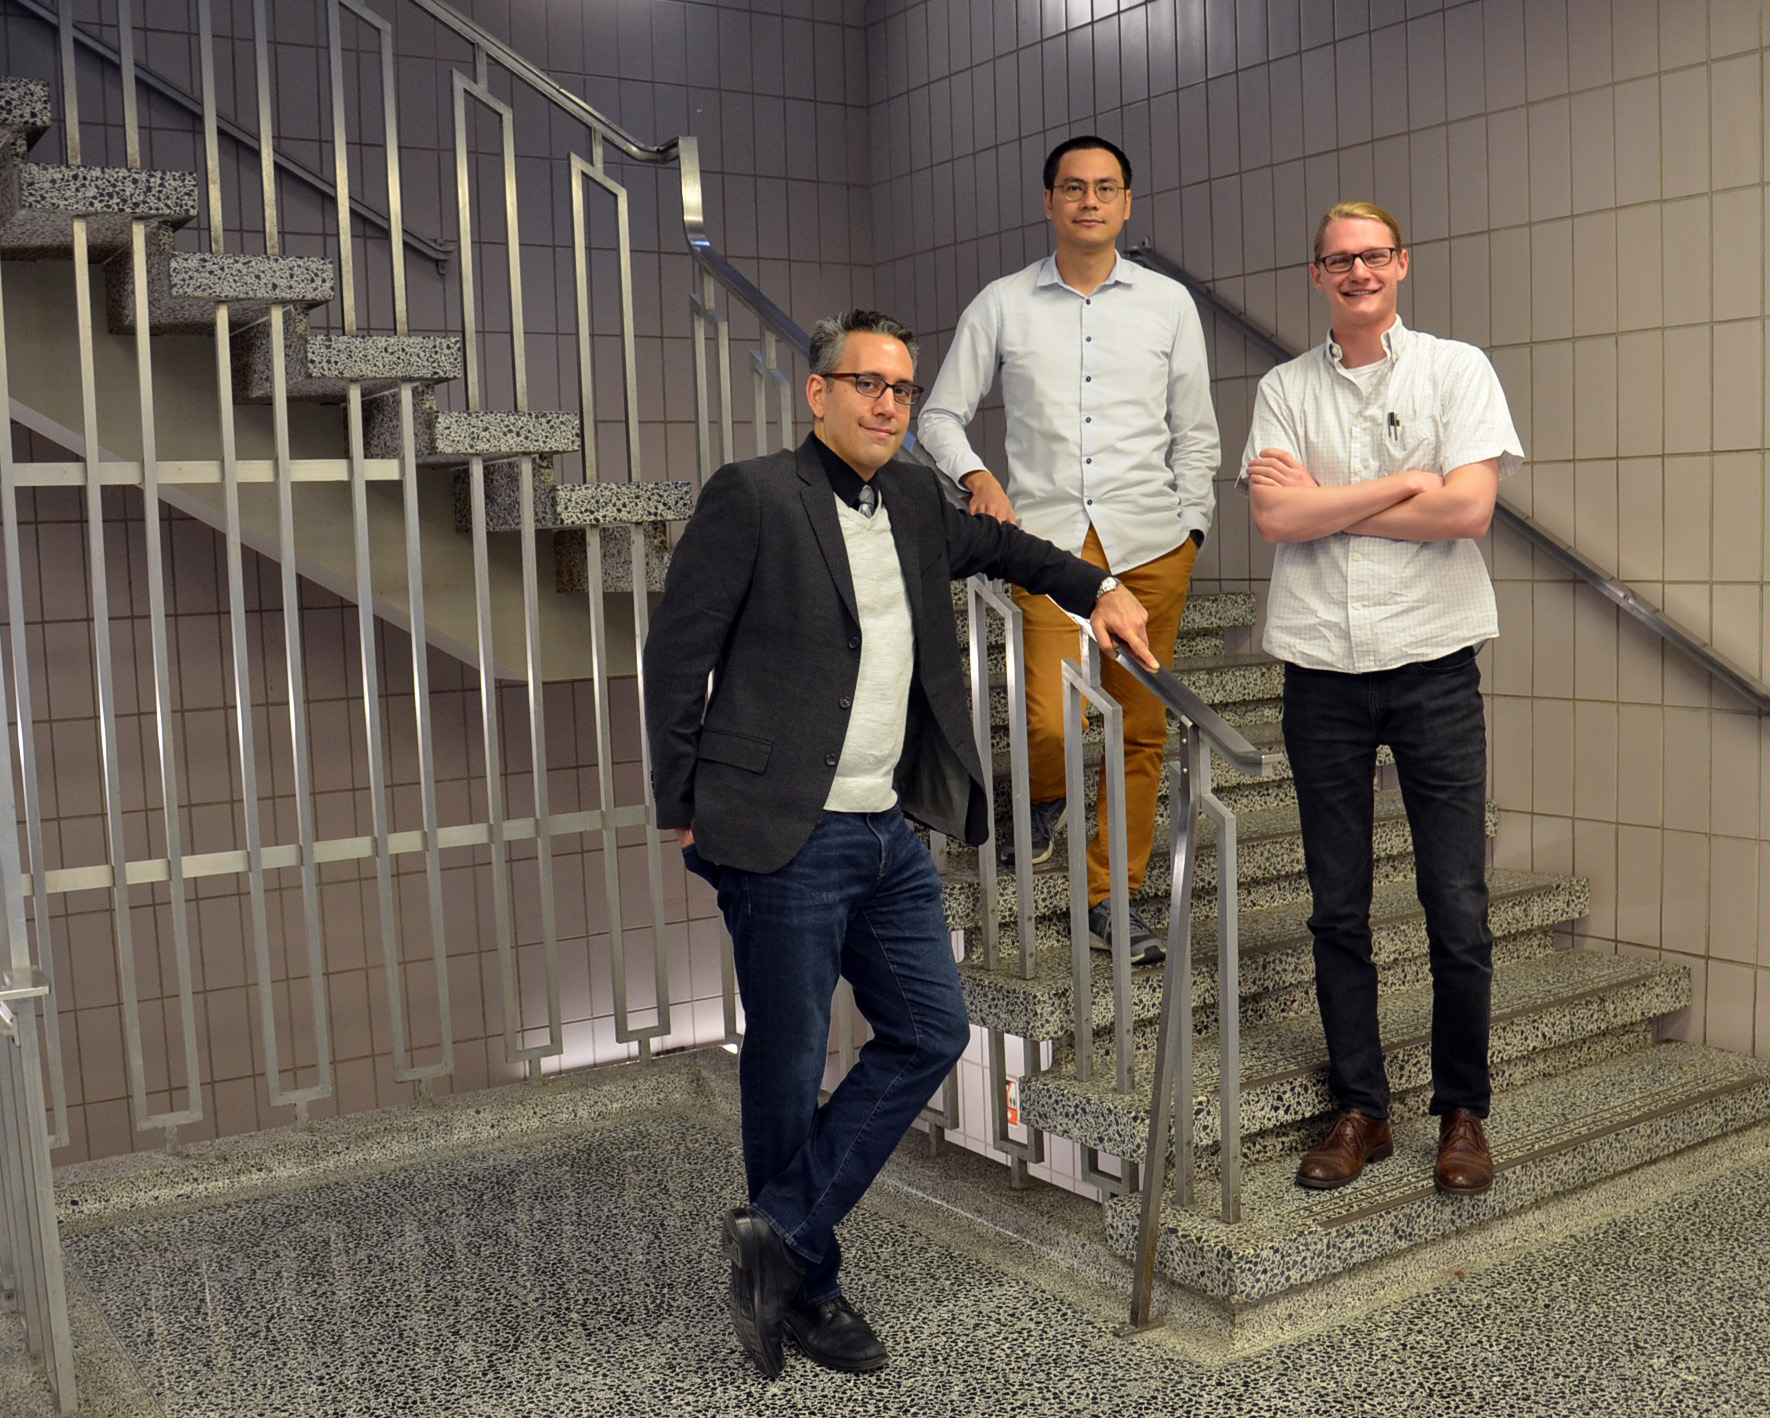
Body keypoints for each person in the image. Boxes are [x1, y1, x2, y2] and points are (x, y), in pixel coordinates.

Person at [643, 309, 1156, 1378]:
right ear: (817, 392)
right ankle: (810, 1287)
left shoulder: (922, 499)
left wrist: (1101, 592)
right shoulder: (753, 496)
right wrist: (679, 798)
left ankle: (775, 1231)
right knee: (785, 1067)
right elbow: (675, 648)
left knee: (929, 1027)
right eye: (866, 383)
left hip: (885, 827)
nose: (887, 403)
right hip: (784, 831)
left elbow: (1014, 548)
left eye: (902, 389)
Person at [1239, 201, 1524, 1197]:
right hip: (1320, 672)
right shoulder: (1281, 388)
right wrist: (1404, 484)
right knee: (1337, 907)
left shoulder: (1456, 369)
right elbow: (1277, 516)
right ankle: (1363, 1107)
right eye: (1337, 259)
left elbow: (1471, 508)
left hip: (1435, 668)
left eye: (1373, 255)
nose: (1357, 271)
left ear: (1401, 263)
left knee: (1456, 901)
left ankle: (1462, 1111)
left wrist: (1335, 496)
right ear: (1316, 275)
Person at [918, 134, 1220, 966]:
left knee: (1141, 729)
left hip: (1153, 546)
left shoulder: (1167, 306)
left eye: (1106, 188)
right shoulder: (1002, 304)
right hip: (1048, 551)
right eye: (1073, 188)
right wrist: (977, 475)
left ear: (1126, 204)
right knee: (1049, 720)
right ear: (1049, 203)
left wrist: (1190, 529)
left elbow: (1196, 433)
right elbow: (937, 415)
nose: (1090, 201)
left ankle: (1111, 898)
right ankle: (1046, 796)